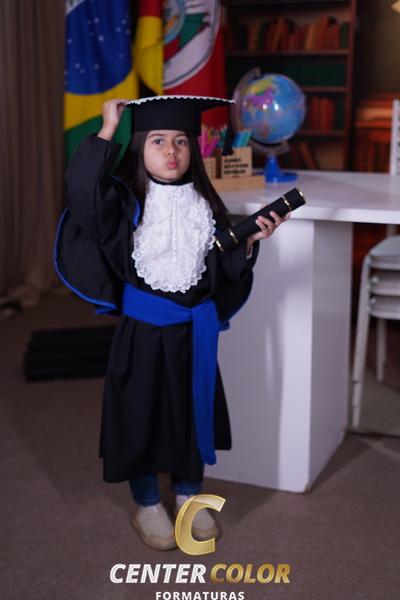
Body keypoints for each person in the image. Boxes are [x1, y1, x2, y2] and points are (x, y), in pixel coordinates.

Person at [54, 95, 288, 551]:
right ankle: (146, 502)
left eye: (181, 141)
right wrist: (107, 129)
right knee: (140, 414)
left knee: (191, 411)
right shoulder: (122, 203)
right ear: (139, 146)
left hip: (193, 333)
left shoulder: (205, 204)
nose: (171, 151)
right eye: (158, 140)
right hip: (142, 334)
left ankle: (188, 495)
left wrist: (248, 244)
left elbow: (215, 272)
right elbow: (81, 191)